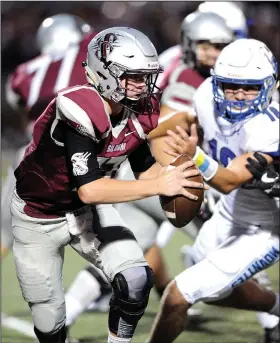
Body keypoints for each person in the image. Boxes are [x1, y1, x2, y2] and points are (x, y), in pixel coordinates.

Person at [10, 27, 205, 343]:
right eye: (134, 77)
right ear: (105, 73)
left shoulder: (140, 109)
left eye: (146, 76)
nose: (143, 85)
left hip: (87, 211)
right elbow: (91, 187)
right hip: (39, 216)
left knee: (136, 279)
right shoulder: (79, 108)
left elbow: (144, 171)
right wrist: (160, 186)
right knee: (49, 320)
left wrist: (181, 172)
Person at [146, 38, 280, 343]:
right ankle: (276, 307)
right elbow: (188, 119)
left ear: (269, 85)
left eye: (250, 87)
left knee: (178, 295)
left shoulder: (269, 126)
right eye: (231, 85)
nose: (239, 95)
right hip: (230, 212)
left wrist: (196, 155)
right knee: (216, 293)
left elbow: (229, 179)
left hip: (264, 229)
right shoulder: (207, 94)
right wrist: (138, 132)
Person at [2, 13, 96, 260]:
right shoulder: (90, 52)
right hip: (88, 153)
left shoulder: (24, 72)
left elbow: (22, 107)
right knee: (118, 232)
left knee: (4, 231)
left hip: (33, 156)